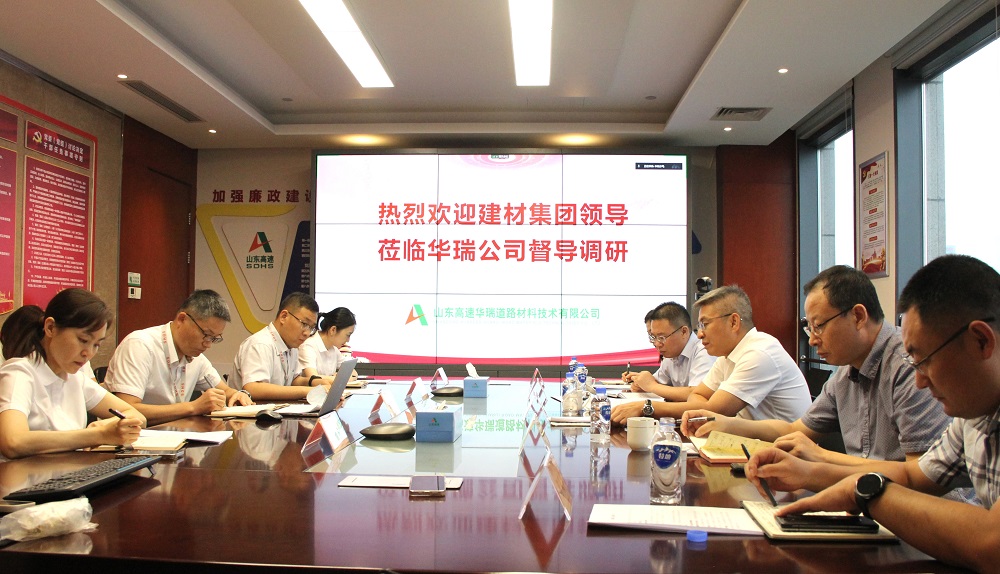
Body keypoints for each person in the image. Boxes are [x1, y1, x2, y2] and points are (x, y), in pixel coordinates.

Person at [747, 255, 1000, 572]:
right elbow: (914, 476)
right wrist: (809, 473)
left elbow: (992, 543)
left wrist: (866, 492)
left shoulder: (941, 391)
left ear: (980, 341)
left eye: (925, 361)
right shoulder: (971, 416)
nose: (919, 381)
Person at [682, 265, 950, 465]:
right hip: (866, 501)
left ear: (858, 316)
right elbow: (794, 430)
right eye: (809, 328)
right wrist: (727, 425)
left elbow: (918, 476)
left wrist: (822, 458)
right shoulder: (845, 373)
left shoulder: (908, 367)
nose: (811, 340)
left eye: (818, 326)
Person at [611, 285, 811, 425]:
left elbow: (712, 411)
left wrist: (646, 407)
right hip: (752, 446)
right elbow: (698, 396)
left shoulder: (759, 353)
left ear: (733, 322)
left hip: (784, 457)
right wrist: (704, 406)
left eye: (705, 324)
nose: (699, 334)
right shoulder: (727, 356)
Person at [0, 289, 145, 459]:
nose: (88, 353)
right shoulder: (19, 373)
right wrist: (97, 435)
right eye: (83, 340)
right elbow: (13, 441)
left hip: (68, 470)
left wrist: (106, 426)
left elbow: (137, 416)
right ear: (50, 328)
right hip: (26, 474)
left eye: (96, 345)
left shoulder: (75, 377)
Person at [105, 289, 253, 426]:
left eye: (214, 338)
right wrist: (193, 407)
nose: (208, 344)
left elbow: (225, 391)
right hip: (133, 440)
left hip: (174, 438)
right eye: (206, 335)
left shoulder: (196, 357)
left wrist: (238, 395)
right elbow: (126, 409)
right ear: (182, 319)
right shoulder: (140, 345)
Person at [230, 292, 325, 401]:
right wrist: (307, 391)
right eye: (304, 324)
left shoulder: (292, 345)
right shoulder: (260, 344)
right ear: (284, 316)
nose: (307, 333)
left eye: (311, 328)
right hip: (250, 410)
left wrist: (316, 382)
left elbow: (293, 380)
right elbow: (253, 388)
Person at [622, 302, 716, 401]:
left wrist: (651, 386)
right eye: (653, 337)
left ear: (684, 332)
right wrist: (640, 382)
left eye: (661, 337)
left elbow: (698, 394)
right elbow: (658, 383)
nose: (657, 343)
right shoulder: (670, 354)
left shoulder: (704, 350)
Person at [298, 307, 358, 385]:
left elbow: (353, 373)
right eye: (348, 335)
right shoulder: (308, 346)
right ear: (333, 330)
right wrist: (338, 378)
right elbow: (313, 379)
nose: (348, 340)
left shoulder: (334, 349)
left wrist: (339, 378)